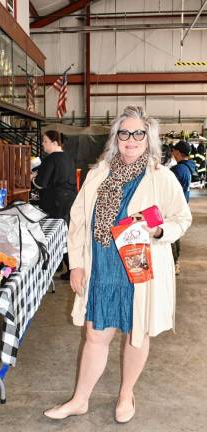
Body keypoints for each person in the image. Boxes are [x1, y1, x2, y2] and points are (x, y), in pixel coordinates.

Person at [43, 106, 192, 423]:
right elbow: (80, 221)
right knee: (96, 336)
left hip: (140, 271)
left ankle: (126, 395)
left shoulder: (161, 177)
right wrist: (78, 265)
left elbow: (182, 218)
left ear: (148, 138)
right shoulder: (99, 173)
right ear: (116, 138)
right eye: (124, 133)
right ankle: (80, 399)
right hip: (102, 269)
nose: (131, 139)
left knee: (138, 334)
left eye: (139, 133)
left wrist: (160, 230)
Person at [32, 130, 77, 279]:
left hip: (55, 201)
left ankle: (69, 268)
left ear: (55, 143)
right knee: (65, 233)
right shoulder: (67, 157)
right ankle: (61, 265)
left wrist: (32, 178)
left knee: (58, 235)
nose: (43, 144)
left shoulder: (51, 159)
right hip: (69, 199)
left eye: (45, 141)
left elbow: (40, 184)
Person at [170, 140, 196, 275]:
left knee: (172, 237)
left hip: (173, 208)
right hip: (182, 205)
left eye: (173, 150)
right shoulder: (187, 167)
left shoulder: (178, 169)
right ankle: (175, 263)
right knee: (176, 235)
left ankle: (174, 264)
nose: (172, 152)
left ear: (178, 153)